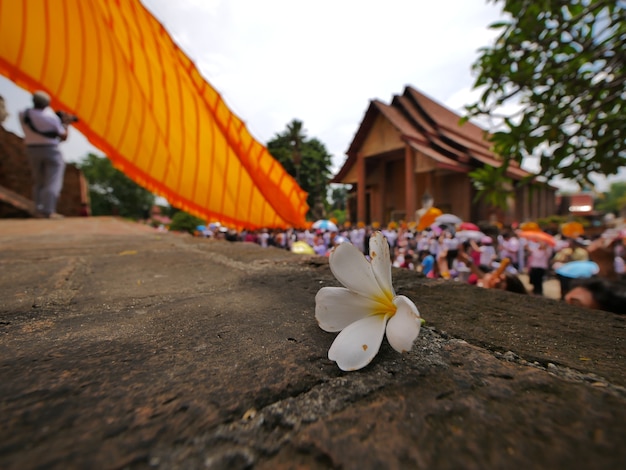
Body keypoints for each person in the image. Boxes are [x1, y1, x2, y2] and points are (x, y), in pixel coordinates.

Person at [19, 91, 70, 218]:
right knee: (52, 181)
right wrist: (66, 124)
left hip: (32, 150)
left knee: (39, 181)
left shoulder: (23, 114)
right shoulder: (51, 118)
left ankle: (38, 209)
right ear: (47, 103)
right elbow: (63, 136)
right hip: (51, 150)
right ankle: (48, 211)